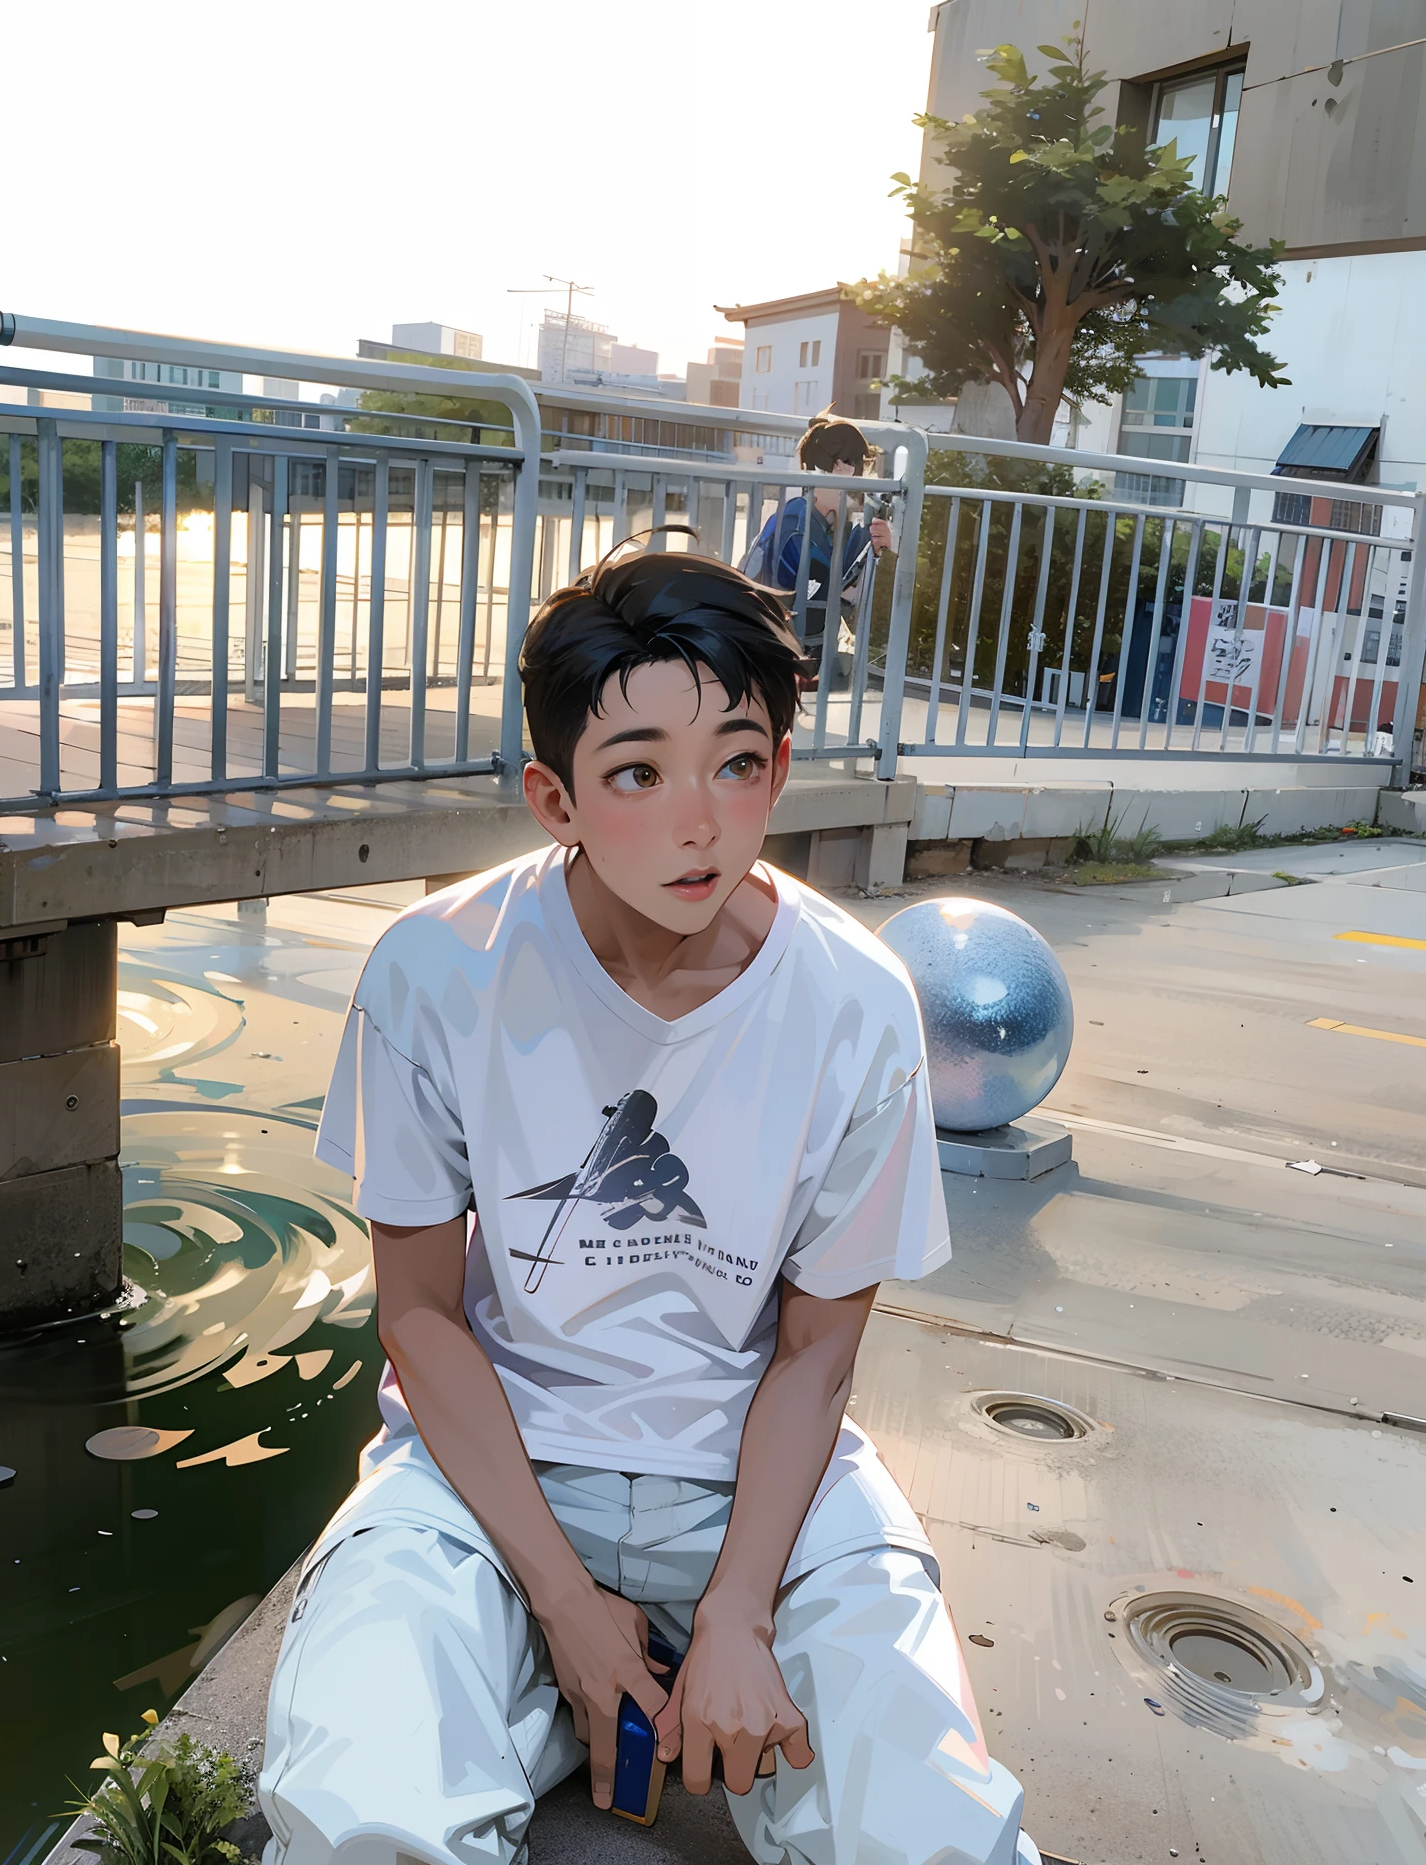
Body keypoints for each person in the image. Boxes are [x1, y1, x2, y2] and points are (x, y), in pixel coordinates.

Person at [259, 546, 1040, 1865]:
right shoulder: (436, 971)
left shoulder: (856, 1004)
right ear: (552, 796)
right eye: (638, 771)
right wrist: (564, 1605)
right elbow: (422, 1318)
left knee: (932, 1831)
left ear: (779, 772)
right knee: (359, 1812)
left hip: (755, 1483)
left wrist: (740, 1613)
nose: (700, 820)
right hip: (489, 1473)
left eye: (738, 761)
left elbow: (816, 1350)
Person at [742, 413, 894, 680]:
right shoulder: (798, 527)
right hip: (774, 650)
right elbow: (822, 599)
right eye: (857, 471)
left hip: (775, 648)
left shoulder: (811, 519)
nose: (860, 484)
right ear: (838, 467)